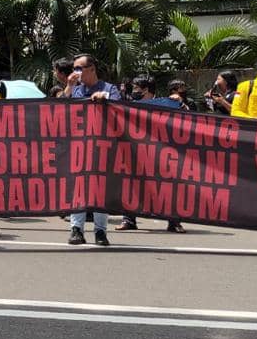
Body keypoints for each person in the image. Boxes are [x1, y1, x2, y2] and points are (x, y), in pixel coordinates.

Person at [118, 76, 185, 233]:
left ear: (146, 90)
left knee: (167, 186)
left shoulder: (168, 103)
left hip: (162, 151)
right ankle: (129, 220)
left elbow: (186, 118)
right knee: (132, 184)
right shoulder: (130, 105)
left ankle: (174, 221)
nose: (133, 92)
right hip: (137, 150)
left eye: (136, 89)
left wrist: (178, 102)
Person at [67, 54, 119, 246]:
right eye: (74, 69)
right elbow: (61, 106)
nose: (76, 73)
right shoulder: (76, 90)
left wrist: (103, 98)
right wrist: (69, 86)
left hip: (102, 148)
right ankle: (76, 229)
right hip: (79, 147)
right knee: (79, 188)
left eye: (79, 69)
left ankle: (100, 231)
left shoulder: (109, 88)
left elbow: (118, 105)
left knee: (100, 189)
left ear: (92, 69)